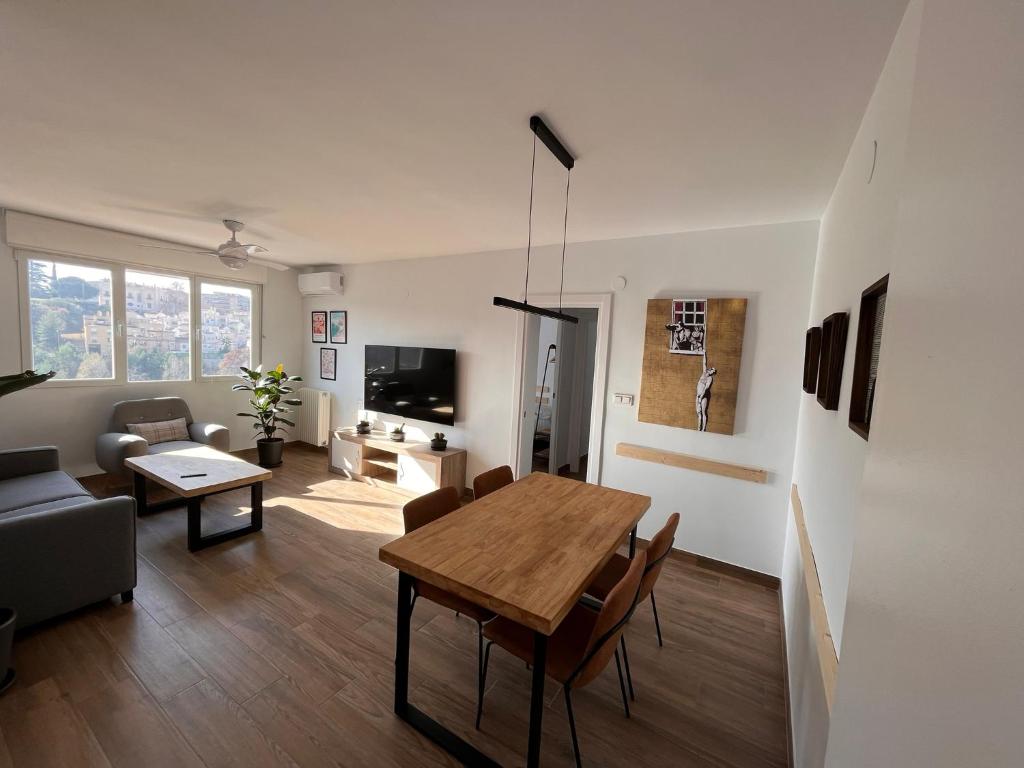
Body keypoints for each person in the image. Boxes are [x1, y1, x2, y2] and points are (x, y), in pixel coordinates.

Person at [696, 354, 717, 431]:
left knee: (703, 412)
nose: (711, 370)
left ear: (712, 373)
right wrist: (704, 354)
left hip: (703, 396)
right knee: (698, 412)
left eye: (713, 370)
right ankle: (698, 428)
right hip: (698, 395)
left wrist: (701, 397)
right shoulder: (704, 373)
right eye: (711, 369)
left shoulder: (710, 378)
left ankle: (703, 428)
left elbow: (706, 388)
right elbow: (704, 363)